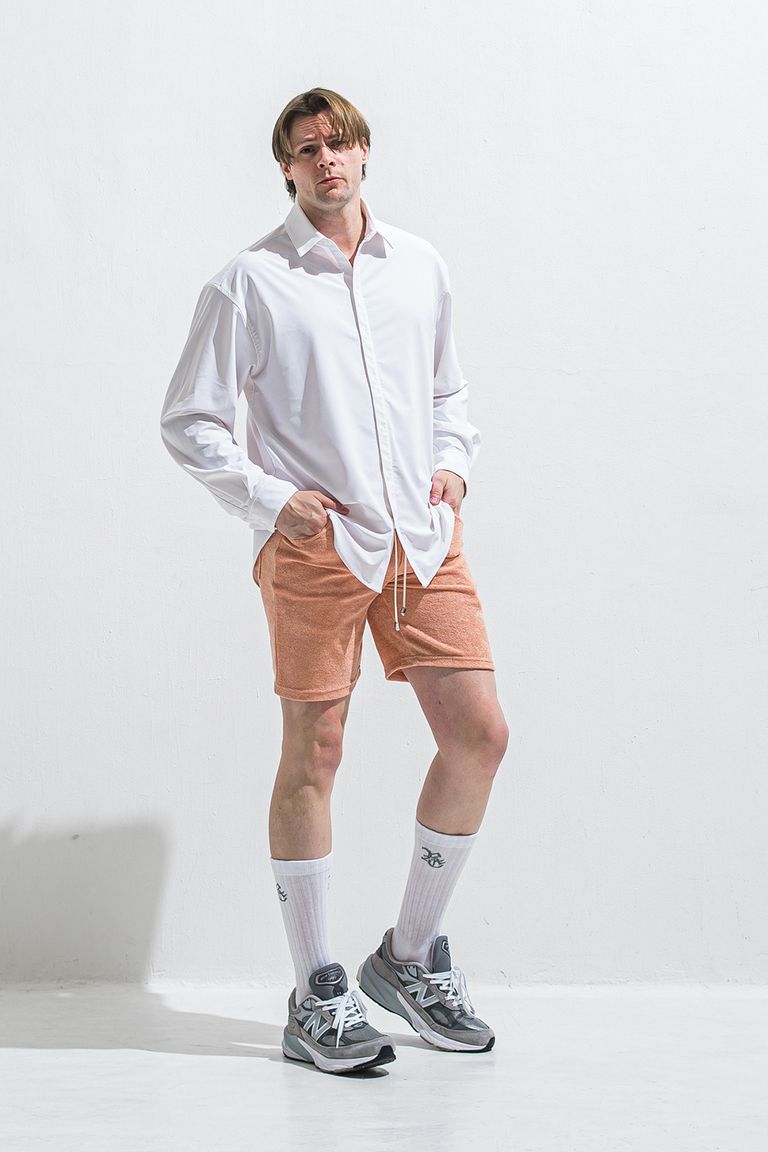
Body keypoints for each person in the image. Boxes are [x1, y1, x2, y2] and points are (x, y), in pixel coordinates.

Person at [160, 87, 509, 1076]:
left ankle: (408, 956)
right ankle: (316, 990)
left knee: (480, 734)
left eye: (341, 142)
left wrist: (454, 464)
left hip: (423, 540)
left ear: (364, 153)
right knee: (316, 749)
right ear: (286, 167)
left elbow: (448, 389)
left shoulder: (420, 266)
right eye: (308, 147)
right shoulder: (249, 282)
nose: (327, 159)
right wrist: (274, 502)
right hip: (317, 546)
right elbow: (189, 420)